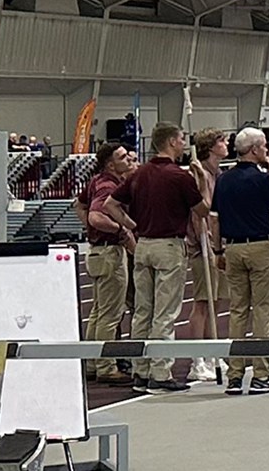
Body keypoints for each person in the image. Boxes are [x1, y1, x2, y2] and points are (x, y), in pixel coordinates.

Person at [100, 122, 205, 394]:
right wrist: (202, 181)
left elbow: (110, 204)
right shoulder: (180, 176)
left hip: (143, 245)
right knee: (165, 312)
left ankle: (141, 370)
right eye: (181, 139)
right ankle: (160, 372)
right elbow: (203, 210)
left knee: (142, 311)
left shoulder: (139, 173)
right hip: (168, 246)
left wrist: (131, 224)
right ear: (171, 142)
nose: (183, 144)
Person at [213, 128, 269, 395]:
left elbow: (214, 219)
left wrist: (218, 251)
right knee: (263, 310)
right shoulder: (261, 179)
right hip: (261, 246)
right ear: (255, 150)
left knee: (237, 311)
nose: (266, 150)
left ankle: (235, 375)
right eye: (263, 146)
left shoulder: (223, 179)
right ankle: (261, 373)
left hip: (233, 248)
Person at [77, 140, 136, 385]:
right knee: (110, 315)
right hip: (110, 253)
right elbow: (95, 215)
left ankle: (92, 362)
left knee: (99, 312)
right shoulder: (108, 186)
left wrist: (90, 229)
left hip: (97, 252)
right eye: (123, 158)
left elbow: (79, 206)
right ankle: (106, 366)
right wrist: (120, 229)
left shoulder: (94, 181)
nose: (128, 161)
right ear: (111, 164)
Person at [183, 128, 229, 383]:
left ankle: (212, 352)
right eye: (222, 141)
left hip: (217, 244)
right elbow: (199, 209)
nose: (226, 144)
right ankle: (197, 360)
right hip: (202, 245)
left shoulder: (218, 173)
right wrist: (204, 241)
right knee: (202, 301)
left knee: (216, 301)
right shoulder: (197, 172)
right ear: (210, 146)